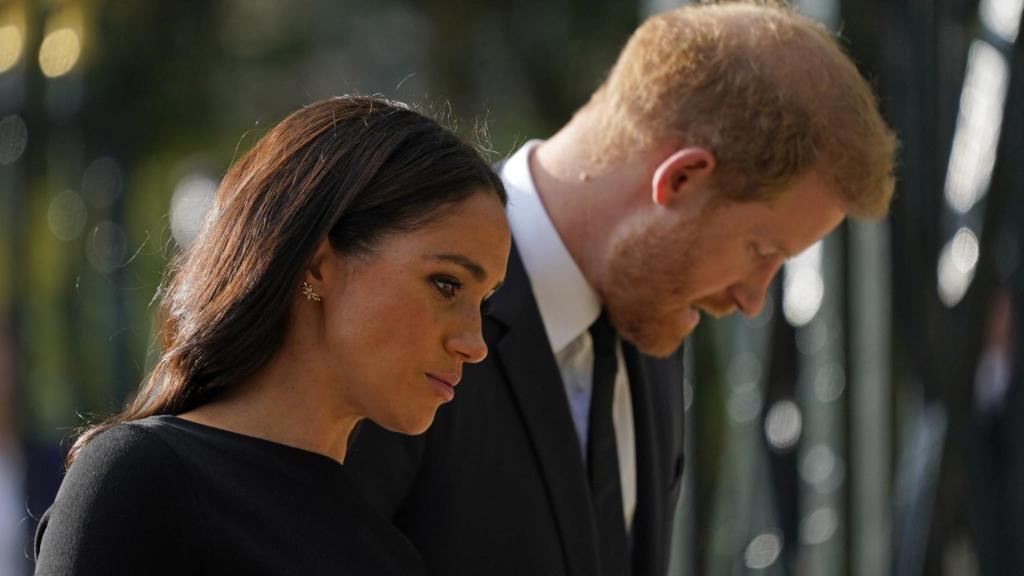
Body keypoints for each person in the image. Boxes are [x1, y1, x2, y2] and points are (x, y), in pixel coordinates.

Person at [346, 3, 898, 576]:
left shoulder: (651, 310)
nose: (753, 299)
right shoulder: (393, 310)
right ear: (681, 179)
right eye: (761, 251)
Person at [33, 96, 511, 575]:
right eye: (447, 285)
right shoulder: (141, 482)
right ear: (318, 264)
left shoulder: (391, 557)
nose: (475, 344)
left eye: (485, 303)